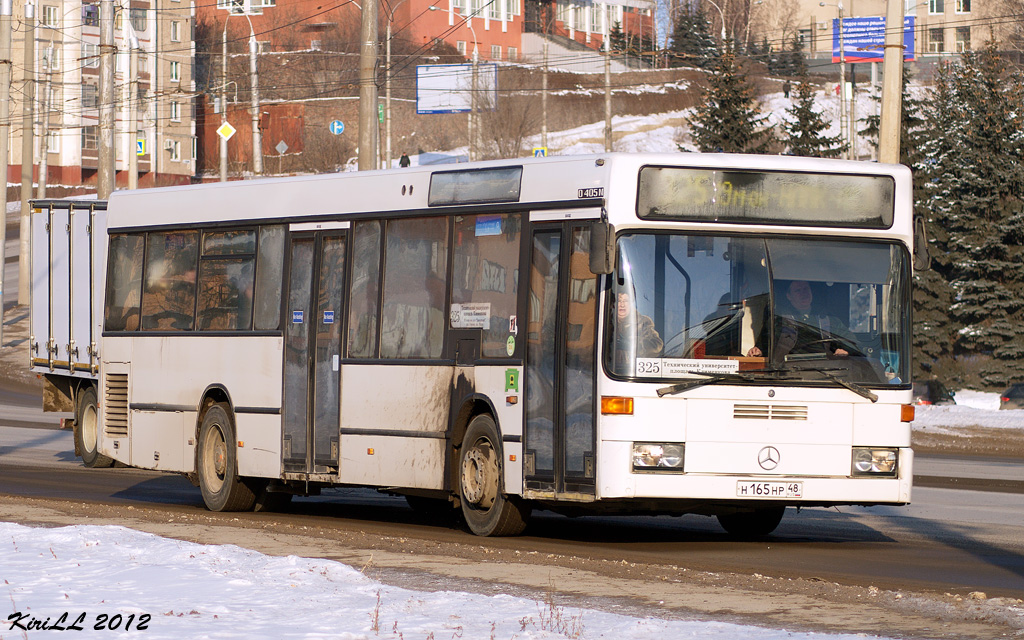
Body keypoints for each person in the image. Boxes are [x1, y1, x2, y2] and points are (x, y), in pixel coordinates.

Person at [762, 279, 850, 359]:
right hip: (788, 370)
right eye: (798, 290)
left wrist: (844, 350)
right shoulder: (779, 320)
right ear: (789, 296)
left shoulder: (828, 317)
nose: (804, 293)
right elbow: (765, 344)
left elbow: (849, 341)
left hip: (825, 368)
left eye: (806, 289)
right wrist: (758, 350)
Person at [611, 291, 663, 374]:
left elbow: (657, 346)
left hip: (636, 374)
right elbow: (584, 353)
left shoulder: (643, 322)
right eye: (619, 301)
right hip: (607, 374)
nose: (622, 304)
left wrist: (634, 345)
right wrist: (607, 347)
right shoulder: (600, 322)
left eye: (626, 301)